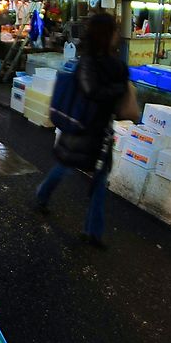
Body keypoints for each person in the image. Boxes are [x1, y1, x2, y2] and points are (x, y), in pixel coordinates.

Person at [34, 13, 136, 248]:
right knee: (65, 166)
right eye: (114, 31)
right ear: (106, 35)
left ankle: (93, 232)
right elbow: (92, 91)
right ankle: (42, 195)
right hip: (83, 127)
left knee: (98, 179)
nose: (117, 36)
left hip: (101, 131)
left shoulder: (113, 63)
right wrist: (119, 88)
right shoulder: (89, 62)